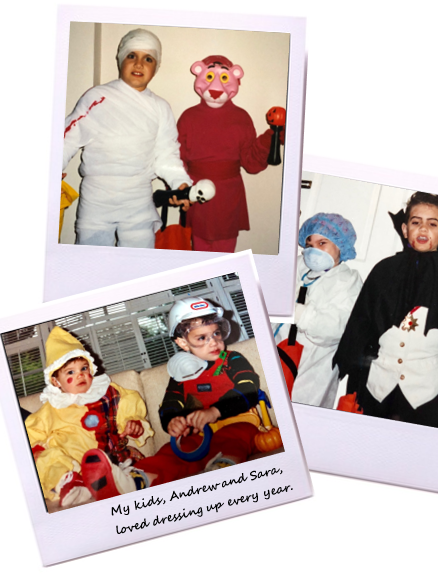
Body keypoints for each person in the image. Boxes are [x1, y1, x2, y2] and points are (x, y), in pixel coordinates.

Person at [333, 192, 438, 430]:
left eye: (432, 223)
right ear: (405, 229)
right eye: (416, 222)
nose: (423, 228)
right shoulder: (384, 270)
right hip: (378, 385)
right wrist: (356, 383)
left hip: (426, 392)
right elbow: (360, 328)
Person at [82, 298, 262, 499]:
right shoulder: (180, 374)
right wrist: (173, 421)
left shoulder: (233, 360)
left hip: (240, 423)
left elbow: (249, 388)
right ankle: (134, 481)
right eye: (202, 338)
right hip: (199, 436)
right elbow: (170, 404)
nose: (214, 342)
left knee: (235, 441)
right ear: (183, 343)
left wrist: (214, 411)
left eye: (216, 333)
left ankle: (222, 471)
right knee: (170, 451)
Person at [63, 28, 191, 248]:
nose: (139, 64)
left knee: (138, 266)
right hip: (97, 198)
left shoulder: (161, 108)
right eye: (132, 56)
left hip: (138, 200)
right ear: (121, 59)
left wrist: (180, 184)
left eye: (148, 59)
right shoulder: (97, 97)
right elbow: (66, 139)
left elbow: (166, 155)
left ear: (156, 67)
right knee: (92, 265)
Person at [25, 327, 154, 507]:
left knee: (146, 467)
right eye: (70, 372)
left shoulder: (108, 392)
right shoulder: (52, 407)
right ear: (56, 381)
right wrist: (37, 450)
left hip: (113, 457)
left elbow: (130, 403)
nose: (80, 375)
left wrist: (132, 422)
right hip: (73, 463)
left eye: (84, 368)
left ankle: (114, 481)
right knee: (49, 460)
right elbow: (32, 431)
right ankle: (71, 484)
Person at [177, 55, 279, 253]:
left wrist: (271, 137)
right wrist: (181, 189)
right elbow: (177, 158)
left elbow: (251, 163)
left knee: (225, 255)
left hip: (228, 195)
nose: (215, 89)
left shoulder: (241, 118)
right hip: (196, 191)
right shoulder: (188, 117)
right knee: (198, 251)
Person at [273, 213, 363, 408]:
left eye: (322, 243)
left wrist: (297, 312)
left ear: (341, 246)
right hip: (276, 356)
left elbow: (335, 329)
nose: (314, 251)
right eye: (310, 245)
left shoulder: (348, 280)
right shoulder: (298, 265)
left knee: (296, 420)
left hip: (313, 367)